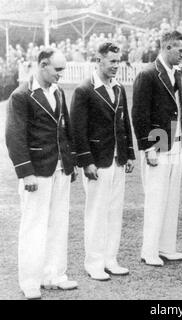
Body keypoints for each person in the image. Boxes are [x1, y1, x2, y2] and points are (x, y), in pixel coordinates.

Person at [5, 49, 78, 299]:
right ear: (43, 65)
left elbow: (65, 129)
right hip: (37, 171)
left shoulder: (58, 92)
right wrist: (26, 173)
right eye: (57, 69)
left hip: (61, 168)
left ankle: (54, 275)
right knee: (34, 226)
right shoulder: (21, 96)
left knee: (59, 223)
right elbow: (14, 137)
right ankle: (30, 281)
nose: (61, 74)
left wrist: (71, 163)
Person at [70, 42, 135, 280]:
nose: (116, 66)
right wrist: (86, 161)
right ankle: (94, 263)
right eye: (112, 62)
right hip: (98, 162)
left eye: (118, 61)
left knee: (114, 211)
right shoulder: (84, 90)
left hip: (117, 160)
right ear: (99, 60)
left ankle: (111, 259)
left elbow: (124, 123)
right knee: (97, 213)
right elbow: (78, 130)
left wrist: (128, 154)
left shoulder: (119, 88)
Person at [132, 31, 182, 266]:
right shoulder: (147, 74)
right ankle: (149, 251)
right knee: (156, 199)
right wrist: (148, 148)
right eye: (180, 51)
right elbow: (139, 114)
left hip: (175, 144)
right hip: (157, 146)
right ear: (167, 47)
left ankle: (167, 247)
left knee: (172, 198)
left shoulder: (179, 73)